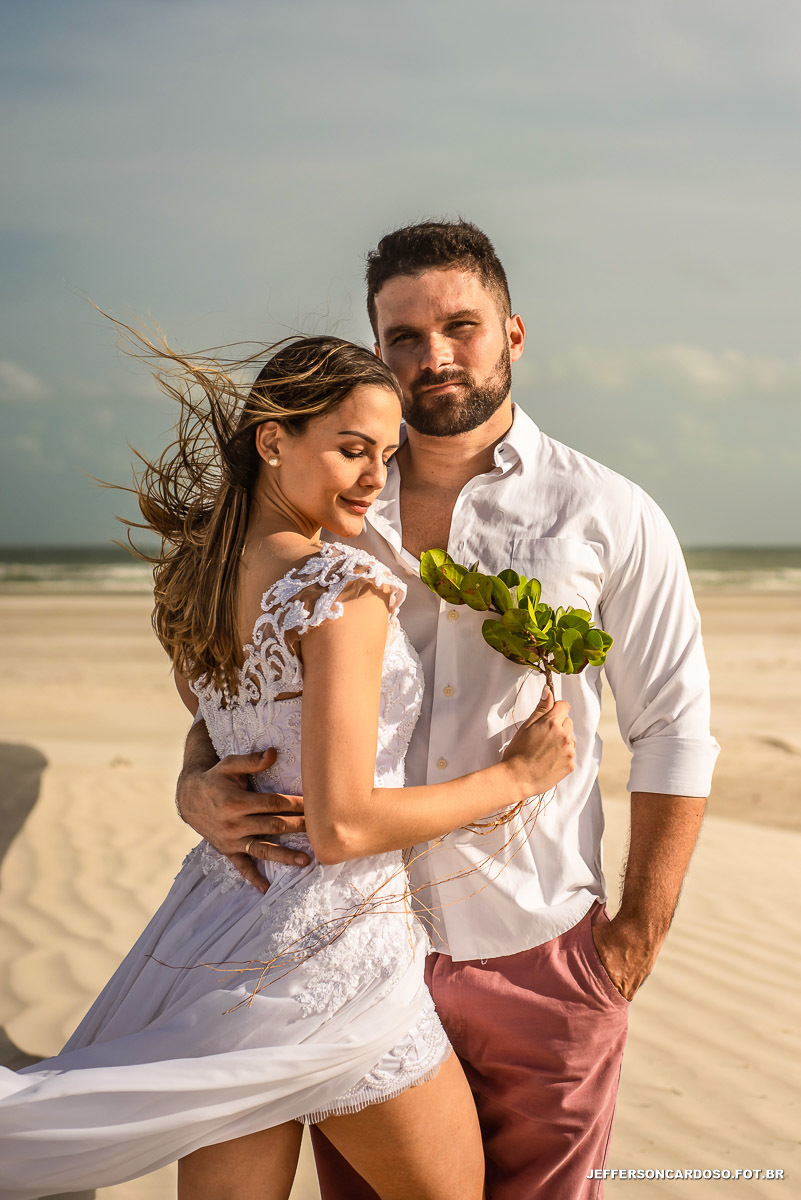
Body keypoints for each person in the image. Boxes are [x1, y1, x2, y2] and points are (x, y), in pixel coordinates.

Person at [177, 221, 720, 1200]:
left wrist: (632, 940)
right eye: (404, 337)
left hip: (540, 953)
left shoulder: (604, 511)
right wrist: (194, 786)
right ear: (376, 348)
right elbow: (247, 686)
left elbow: (675, 729)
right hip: (352, 955)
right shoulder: (333, 503)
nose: (434, 357)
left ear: (512, 333)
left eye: (459, 327)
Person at [0, 333, 578, 1200]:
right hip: (334, 958)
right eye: (351, 449)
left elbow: (221, 729)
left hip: (219, 938)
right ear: (273, 439)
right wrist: (517, 778)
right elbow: (341, 826)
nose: (373, 477)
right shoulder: (337, 585)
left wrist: (195, 785)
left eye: (385, 455)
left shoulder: (198, 579)